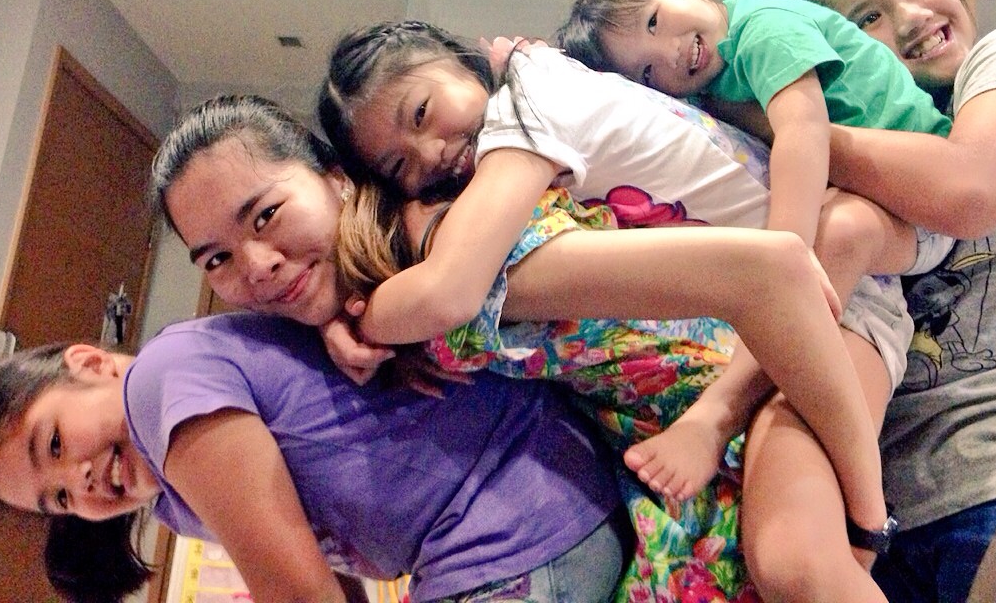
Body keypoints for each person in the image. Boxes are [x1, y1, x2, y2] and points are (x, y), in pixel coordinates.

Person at [155, 94, 885, 602]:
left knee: (792, 572)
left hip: (747, 399)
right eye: (216, 259)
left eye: (266, 215)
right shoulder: (377, 293)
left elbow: (765, 272)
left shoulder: (457, 257)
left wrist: (867, 519)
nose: (256, 265)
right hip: (659, 463)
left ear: (337, 183)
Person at [0, 319, 630, 603]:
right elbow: (317, 574)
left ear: (92, 364)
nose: (79, 480)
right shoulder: (175, 505)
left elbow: (299, 594)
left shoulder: (160, 381)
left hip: (524, 517)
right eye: (60, 499)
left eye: (54, 444)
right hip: (487, 549)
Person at [786, 0, 996, 603]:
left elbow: (971, 190)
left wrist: (791, 123)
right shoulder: (841, 171)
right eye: (866, 18)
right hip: (893, 525)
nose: (912, 15)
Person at [556, 0, 954, 311]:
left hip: (924, 201)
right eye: (646, 72)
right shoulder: (704, 83)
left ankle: (748, 372)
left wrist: (787, 247)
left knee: (828, 241)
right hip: (886, 205)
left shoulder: (764, 29)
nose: (669, 54)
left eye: (653, 22)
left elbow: (803, 129)